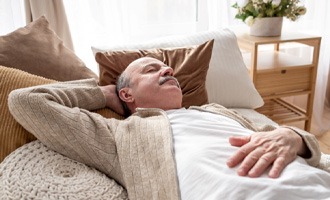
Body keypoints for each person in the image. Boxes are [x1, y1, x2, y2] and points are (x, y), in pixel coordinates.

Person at [8, 57, 330, 199]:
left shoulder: (218, 111)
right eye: (152, 69)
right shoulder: (119, 135)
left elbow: (274, 132)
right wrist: (103, 93)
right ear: (127, 94)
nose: (168, 69)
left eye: (166, 66)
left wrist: (293, 136)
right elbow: (25, 102)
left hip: (312, 185)